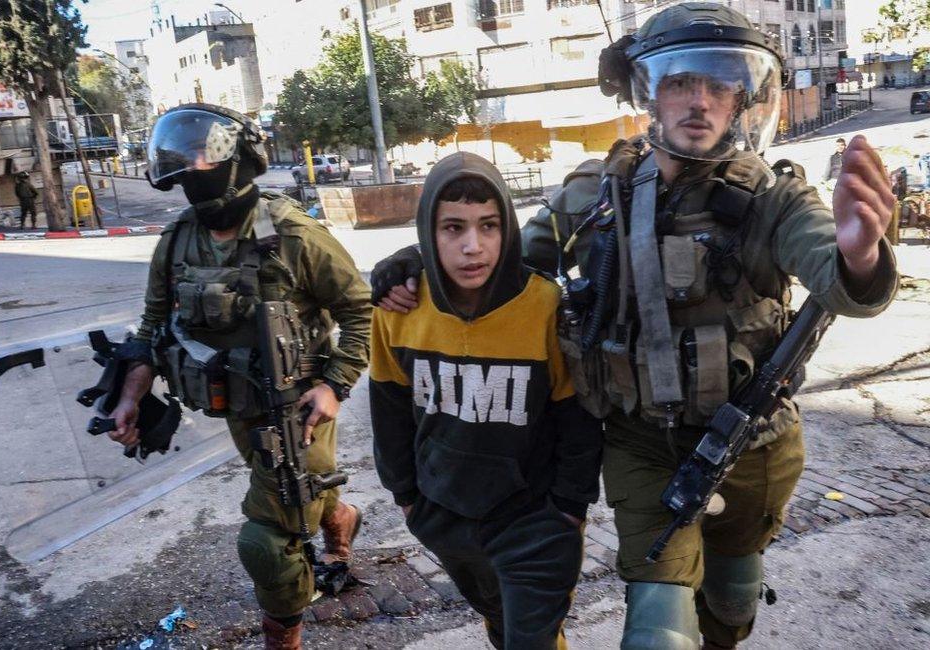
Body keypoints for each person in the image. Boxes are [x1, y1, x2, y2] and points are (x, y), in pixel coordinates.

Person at [369, 3, 899, 648]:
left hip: (753, 443)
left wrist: (860, 256)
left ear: (741, 101)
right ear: (650, 92)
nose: (698, 102)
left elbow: (837, 274)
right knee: (655, 628)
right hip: (640, 441)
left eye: (718, 86)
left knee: (731, 599)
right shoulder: (595, 193)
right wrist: (416, 264)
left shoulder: (774, 199)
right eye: (680, 83)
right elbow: (505, 267)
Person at [107, 103, 372, 649]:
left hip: (301, 406)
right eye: (182, 161)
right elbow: (151, 328)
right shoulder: (178, 241)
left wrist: (335, 384)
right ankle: (339, 515)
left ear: (238, 159)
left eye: (202, 154)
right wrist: (130, 398)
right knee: (297, 498)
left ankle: (284, 638)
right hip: (236, 405)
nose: (191, 169)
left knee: (269, 542)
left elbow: (360, 309)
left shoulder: (293, 234)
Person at [369, 153, 603, 649]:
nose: (472, 247)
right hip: (443, 514)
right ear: (428, 234)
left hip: (535, 520)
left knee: (532, 637)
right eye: (453, 227)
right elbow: (389, 411)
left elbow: (576, 419)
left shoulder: (542, 306)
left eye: (489, 226)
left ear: (508, 230)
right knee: (499, 618)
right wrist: (409, 499)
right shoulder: (399, 310)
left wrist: (568, 507)